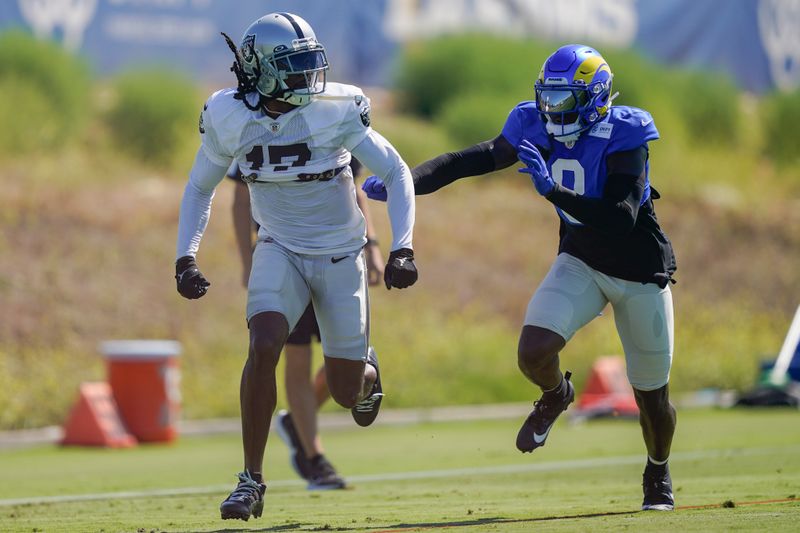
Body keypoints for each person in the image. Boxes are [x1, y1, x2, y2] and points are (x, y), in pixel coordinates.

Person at [363, 44, 677, 511]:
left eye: (565, 99)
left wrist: (555, 191)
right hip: (583, 259)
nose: (552, 110)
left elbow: (621, 217)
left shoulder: (626, 131)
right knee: (533, 351)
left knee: (653, 400)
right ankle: (556, 394)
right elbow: (470, 159)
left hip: (638, 269)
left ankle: (657, 469)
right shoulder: (531, 122)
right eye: (548, 98)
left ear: (595, 98)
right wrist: (403, 181)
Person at [175, 12, 419, 521]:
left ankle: (367, 374)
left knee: (348, 392)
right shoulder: (228, 115)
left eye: (310, 63)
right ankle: (250, 480)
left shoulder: (336, 108)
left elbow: (394, 170)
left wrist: (401, 246)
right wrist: (186, 256)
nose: (309, 77)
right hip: (279, 247)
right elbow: (201, 186)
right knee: (264, 344)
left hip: (339, 253)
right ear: (261, 71)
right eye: (294, 66)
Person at [228, 158, 385, 490]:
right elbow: (241, 197)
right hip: (284, 258)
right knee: (295, 358)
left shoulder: (331, 113)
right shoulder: (249, 120)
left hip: (336, 256)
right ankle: (314, 459)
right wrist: (247, 261)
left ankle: (298, 420)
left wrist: (372, 245)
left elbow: (353, 188)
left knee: (341, 368)